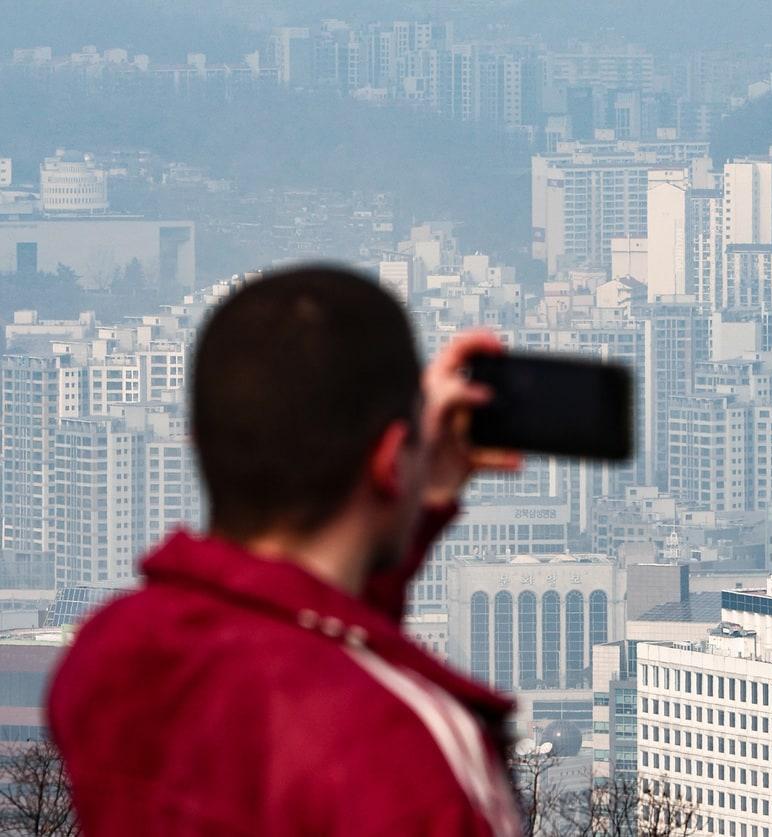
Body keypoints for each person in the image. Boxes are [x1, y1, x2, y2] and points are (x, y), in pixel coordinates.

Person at [47, 265, 524, 835]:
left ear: (202, 441)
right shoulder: (408, 754)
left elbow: (300, 644)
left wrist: (413, 483)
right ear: (391, 459)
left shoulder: (110, 654)